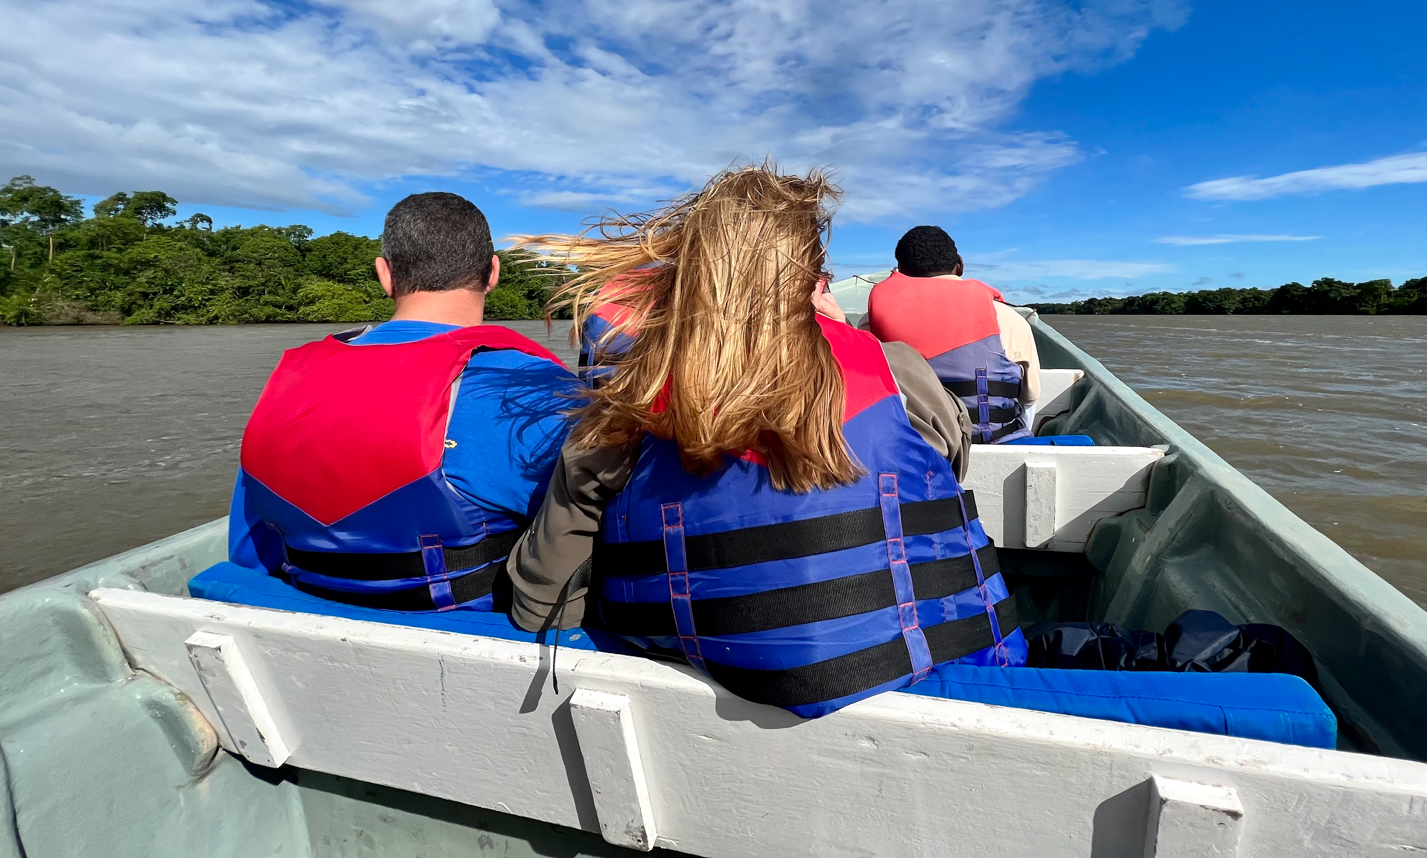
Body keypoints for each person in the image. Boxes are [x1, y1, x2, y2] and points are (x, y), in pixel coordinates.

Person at [506, 165, 1026, 719]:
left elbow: (542, 599)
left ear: (689, 273)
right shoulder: (896, 370)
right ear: (812, 277)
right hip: (931, 680)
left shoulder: (629, 397)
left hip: (695, 697)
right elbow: (943, 473)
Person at [228, 192, 580, 611]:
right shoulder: (535, 386)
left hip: (302, 610)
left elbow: (249, 552)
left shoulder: (289, 381)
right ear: (492, 273)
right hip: (474, 635)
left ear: (385, 275)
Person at [862, 225, 1041, 443]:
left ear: (900, 270)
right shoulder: (1009, 318)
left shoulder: (871, 320)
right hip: (998, 441)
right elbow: (1029, 399)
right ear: (959, 266)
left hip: (914, 448)